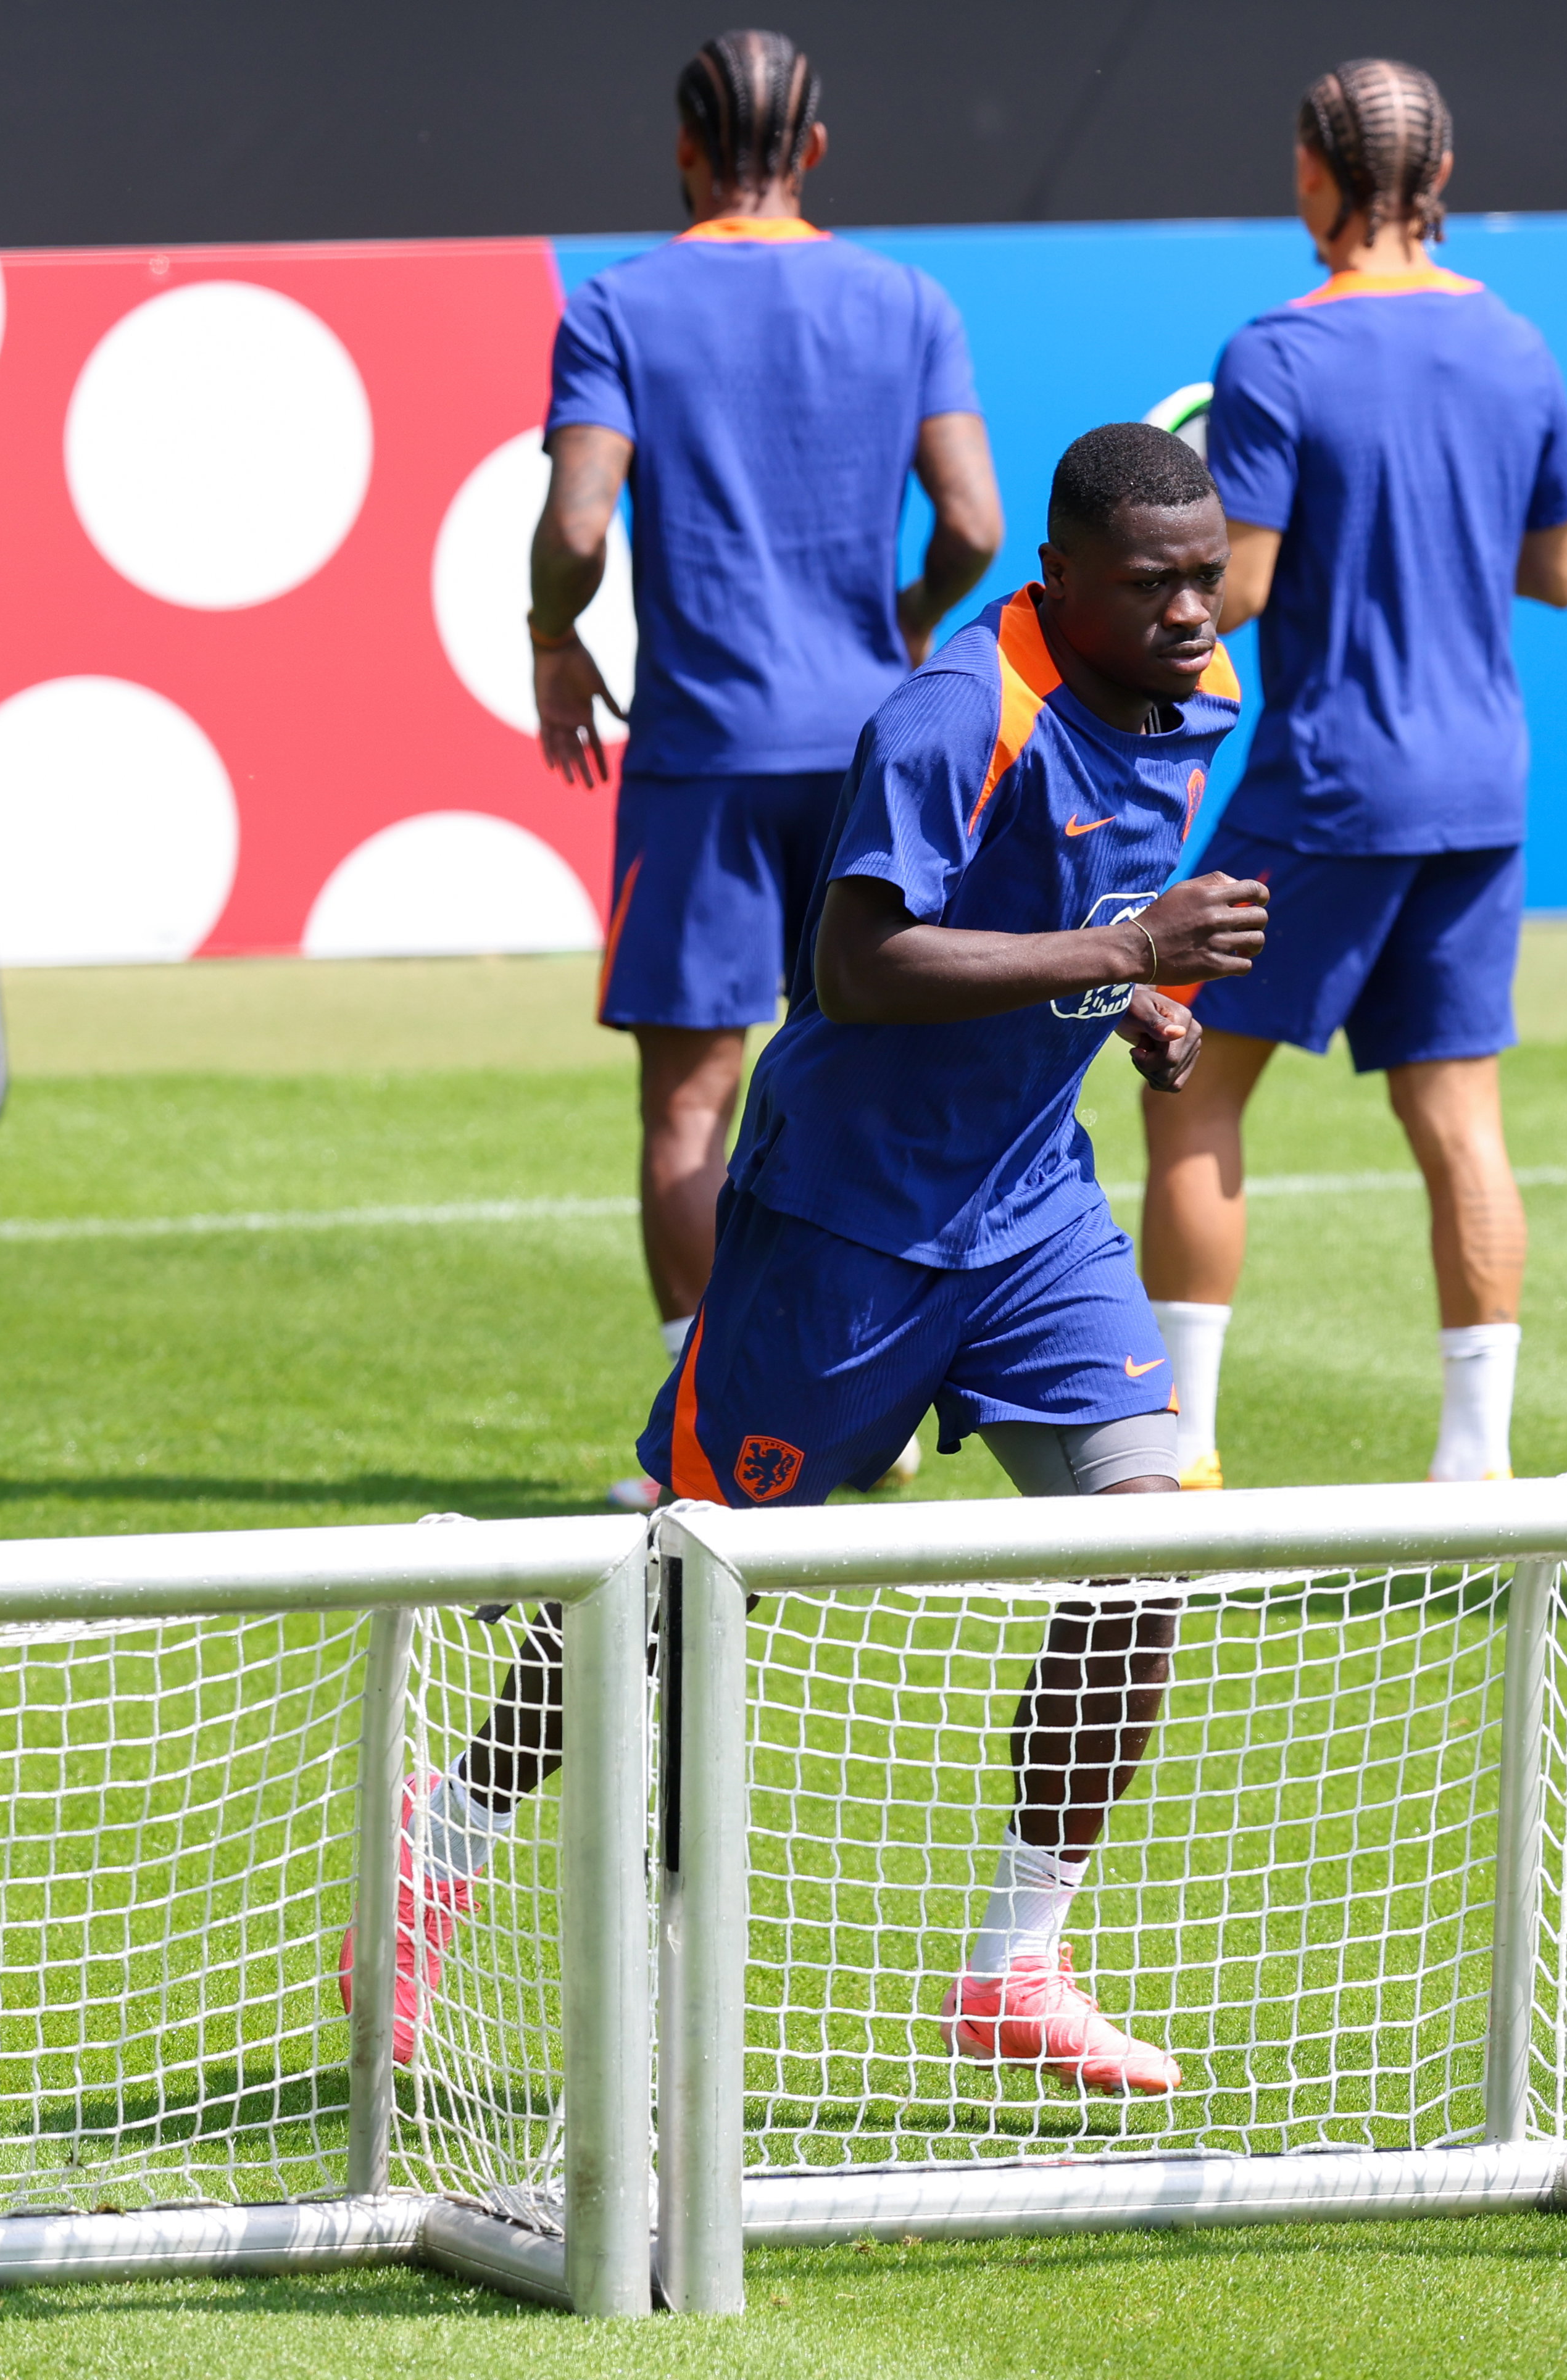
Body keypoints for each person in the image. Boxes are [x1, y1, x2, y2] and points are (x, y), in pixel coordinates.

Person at [349, 425, 1268, 2091]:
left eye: (1209, 575)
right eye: (1157, 585)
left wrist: (1126, 994)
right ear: (1056, 577)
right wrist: (1128, 944)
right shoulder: (958, 710)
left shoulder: (1177, 693)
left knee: (1143, 1547)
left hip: (1030, 1210)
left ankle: (1013, 1962)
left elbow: (1058, 892)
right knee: (682, 1588)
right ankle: (437, 1854)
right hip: (840, 1222)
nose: (1198, 611)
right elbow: (857, 963)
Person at [532, 27, 1004, 1500]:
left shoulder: (622, 303)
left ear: (684, 148)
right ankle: (872, 1388)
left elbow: (578, 528)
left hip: (705, 756)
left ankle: (709, 1419)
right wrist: (911, 626)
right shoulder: (906, 299)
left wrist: (553, 634)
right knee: (873, 1084)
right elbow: (979, 523)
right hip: (870, 749)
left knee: (690, 1103)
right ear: (812, 152)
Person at [1133, 59, 1567, 1492]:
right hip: (1480, 791)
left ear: (1318, 176)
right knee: (1460, 1122)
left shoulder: (1279, 351)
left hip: (1334, 782)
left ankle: (1185, 1447)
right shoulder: (1516, 342)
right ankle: (1475, 1469)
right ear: (1439, 181)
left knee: (1188, 1082)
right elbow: (1562, 570)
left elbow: (1245, 586)